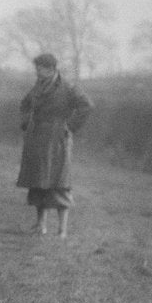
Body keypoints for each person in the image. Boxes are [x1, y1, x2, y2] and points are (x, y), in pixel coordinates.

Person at [16, 53, 93, 238]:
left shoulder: (68, 87)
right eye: (37, 69)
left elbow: (87, 105)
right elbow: (25, 104)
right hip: (37, 140)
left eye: (40, 68)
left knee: (60, 184)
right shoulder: (38, 86)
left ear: (51, 69)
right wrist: (27, 122)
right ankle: (40, 226)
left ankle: (62, 230)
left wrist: (70, 126)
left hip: (58, 140)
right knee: (38, 183)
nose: (37, 72)